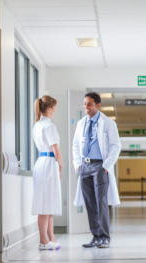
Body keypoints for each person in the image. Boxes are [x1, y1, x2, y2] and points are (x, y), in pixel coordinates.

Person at [73, 92, 121, 248]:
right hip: (84, 167)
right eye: (85, 104)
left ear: (98, 105)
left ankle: (105, 237)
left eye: (89, 104)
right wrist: (77, 165)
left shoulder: (108, 123)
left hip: (100, 166)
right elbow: (75, 145)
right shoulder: (81, 123)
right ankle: (96, 236)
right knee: (90, 204)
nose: (86, 107)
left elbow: (116, 146)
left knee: (101, 202)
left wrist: (106, 166)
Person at [32, 95, 62, 250]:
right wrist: (61, 164)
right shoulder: (49, 126)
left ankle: (51, 238)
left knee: (48, 204)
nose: (55, 110)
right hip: (49, 163)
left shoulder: (37, 125)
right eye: (54, 107)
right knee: (45, 205)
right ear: (49, 109)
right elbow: (56, 150)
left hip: (42, 163)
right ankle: (44, 241)